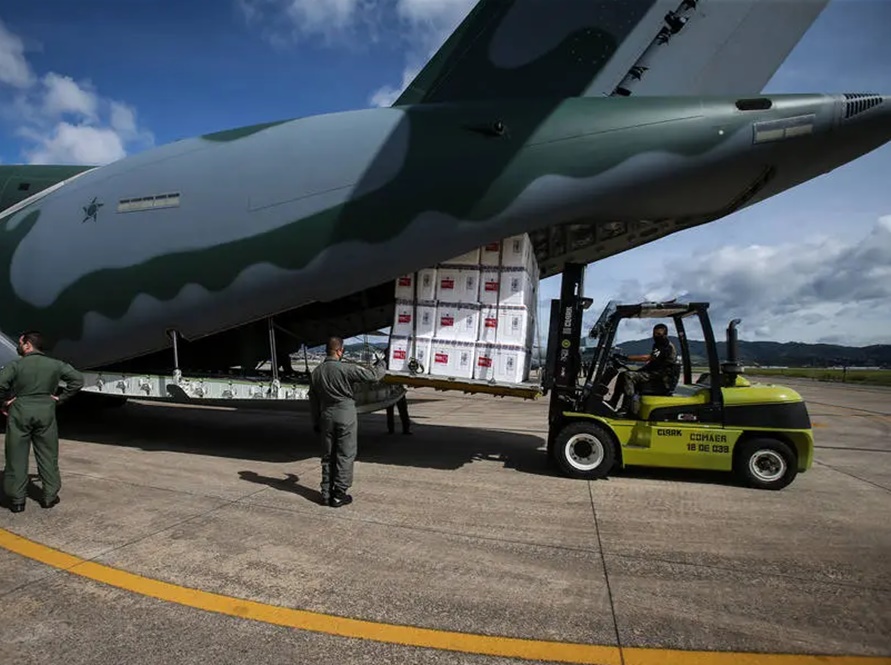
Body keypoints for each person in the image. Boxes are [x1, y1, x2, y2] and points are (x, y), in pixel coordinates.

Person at [0, 330, 84, 513]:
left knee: (16, 456)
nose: (19, 346)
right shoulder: (56, 365)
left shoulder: (15, 365)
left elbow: (0, 385)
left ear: (28, 344)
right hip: (46, 411)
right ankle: (49, 497)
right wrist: (60, 399)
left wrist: (4, 402)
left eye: (21, 343)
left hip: (20, 410)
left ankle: (17, 501)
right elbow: (77, 380)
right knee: (48, 455)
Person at [308, 337, 386, 507]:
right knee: (345, 454)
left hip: (326, 416)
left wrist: (316, 422)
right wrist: (382, 364)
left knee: (328, 456)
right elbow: (374, 376)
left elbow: (313, 400)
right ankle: (339, 494)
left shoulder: (316, 372)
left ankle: (326, 494)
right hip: (345, 414)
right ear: (339, 351)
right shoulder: (346, 369)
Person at [607, 323, 678, 414]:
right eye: (655, 334)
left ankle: (626, 407)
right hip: (654, 372)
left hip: (661, 376)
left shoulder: (665, 345)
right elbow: (653, 362)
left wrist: (626, 358)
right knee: (622, 375)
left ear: (665, 334)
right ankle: (613, 402)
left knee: (628, 375)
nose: (656, 336)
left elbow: (648, 358)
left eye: (659, 334)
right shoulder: (658, 344)